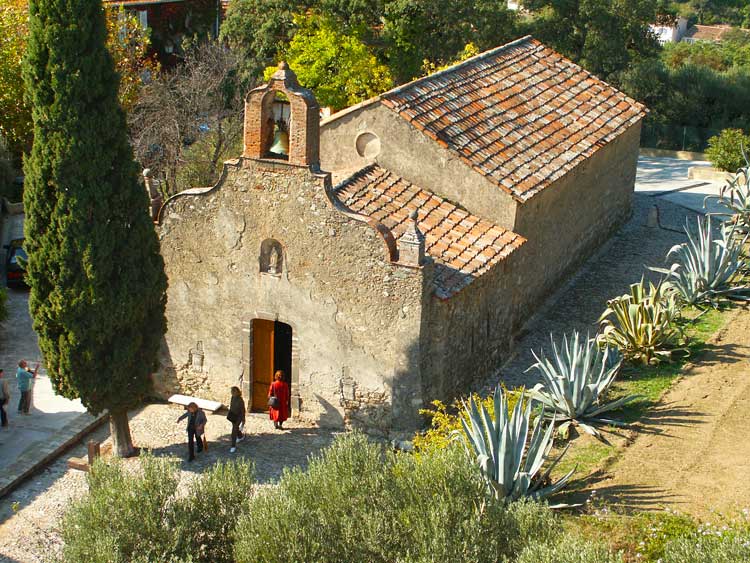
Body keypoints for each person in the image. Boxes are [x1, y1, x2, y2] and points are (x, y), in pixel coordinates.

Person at [227, 386, 246, 453]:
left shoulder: (240, 400)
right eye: (231, 391)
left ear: (237, 392)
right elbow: (231, 406)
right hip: (233, 415)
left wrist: (243, 419)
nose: (232, 393)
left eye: (233, 391)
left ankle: (233, 446)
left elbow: (243, 410)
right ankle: (240, 436)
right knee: (235, 428)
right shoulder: (232, 397)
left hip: (239, 417)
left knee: (234, 431)